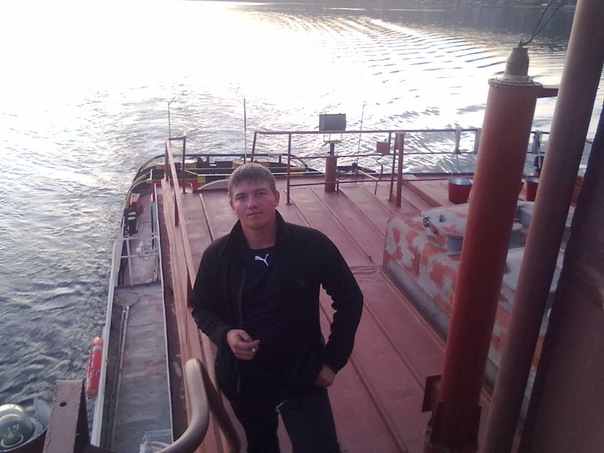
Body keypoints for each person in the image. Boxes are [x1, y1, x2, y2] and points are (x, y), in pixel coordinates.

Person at [190, 162, 363, 453]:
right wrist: (226, 334)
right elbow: (201, 306)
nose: (252, 203)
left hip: (303, 372)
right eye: (242, 197)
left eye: (260, 193)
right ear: (232, 205)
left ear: (276, 198)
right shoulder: (217, 256)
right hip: (244, 378)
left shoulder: (311, 245)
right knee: (261, 444)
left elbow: (350, 299)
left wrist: (333, 361)